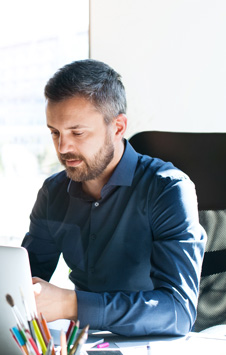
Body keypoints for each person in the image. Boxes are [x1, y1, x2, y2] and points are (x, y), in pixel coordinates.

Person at [21, 59, 206, 337]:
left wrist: (72, 304)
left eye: (77, 132)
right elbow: (22, 282)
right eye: (55, 132)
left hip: (154, 345)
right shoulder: (53, 193)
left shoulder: (167, 190)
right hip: (83, 343)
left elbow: (178, 312)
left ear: (118, 127)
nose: (63, 147)